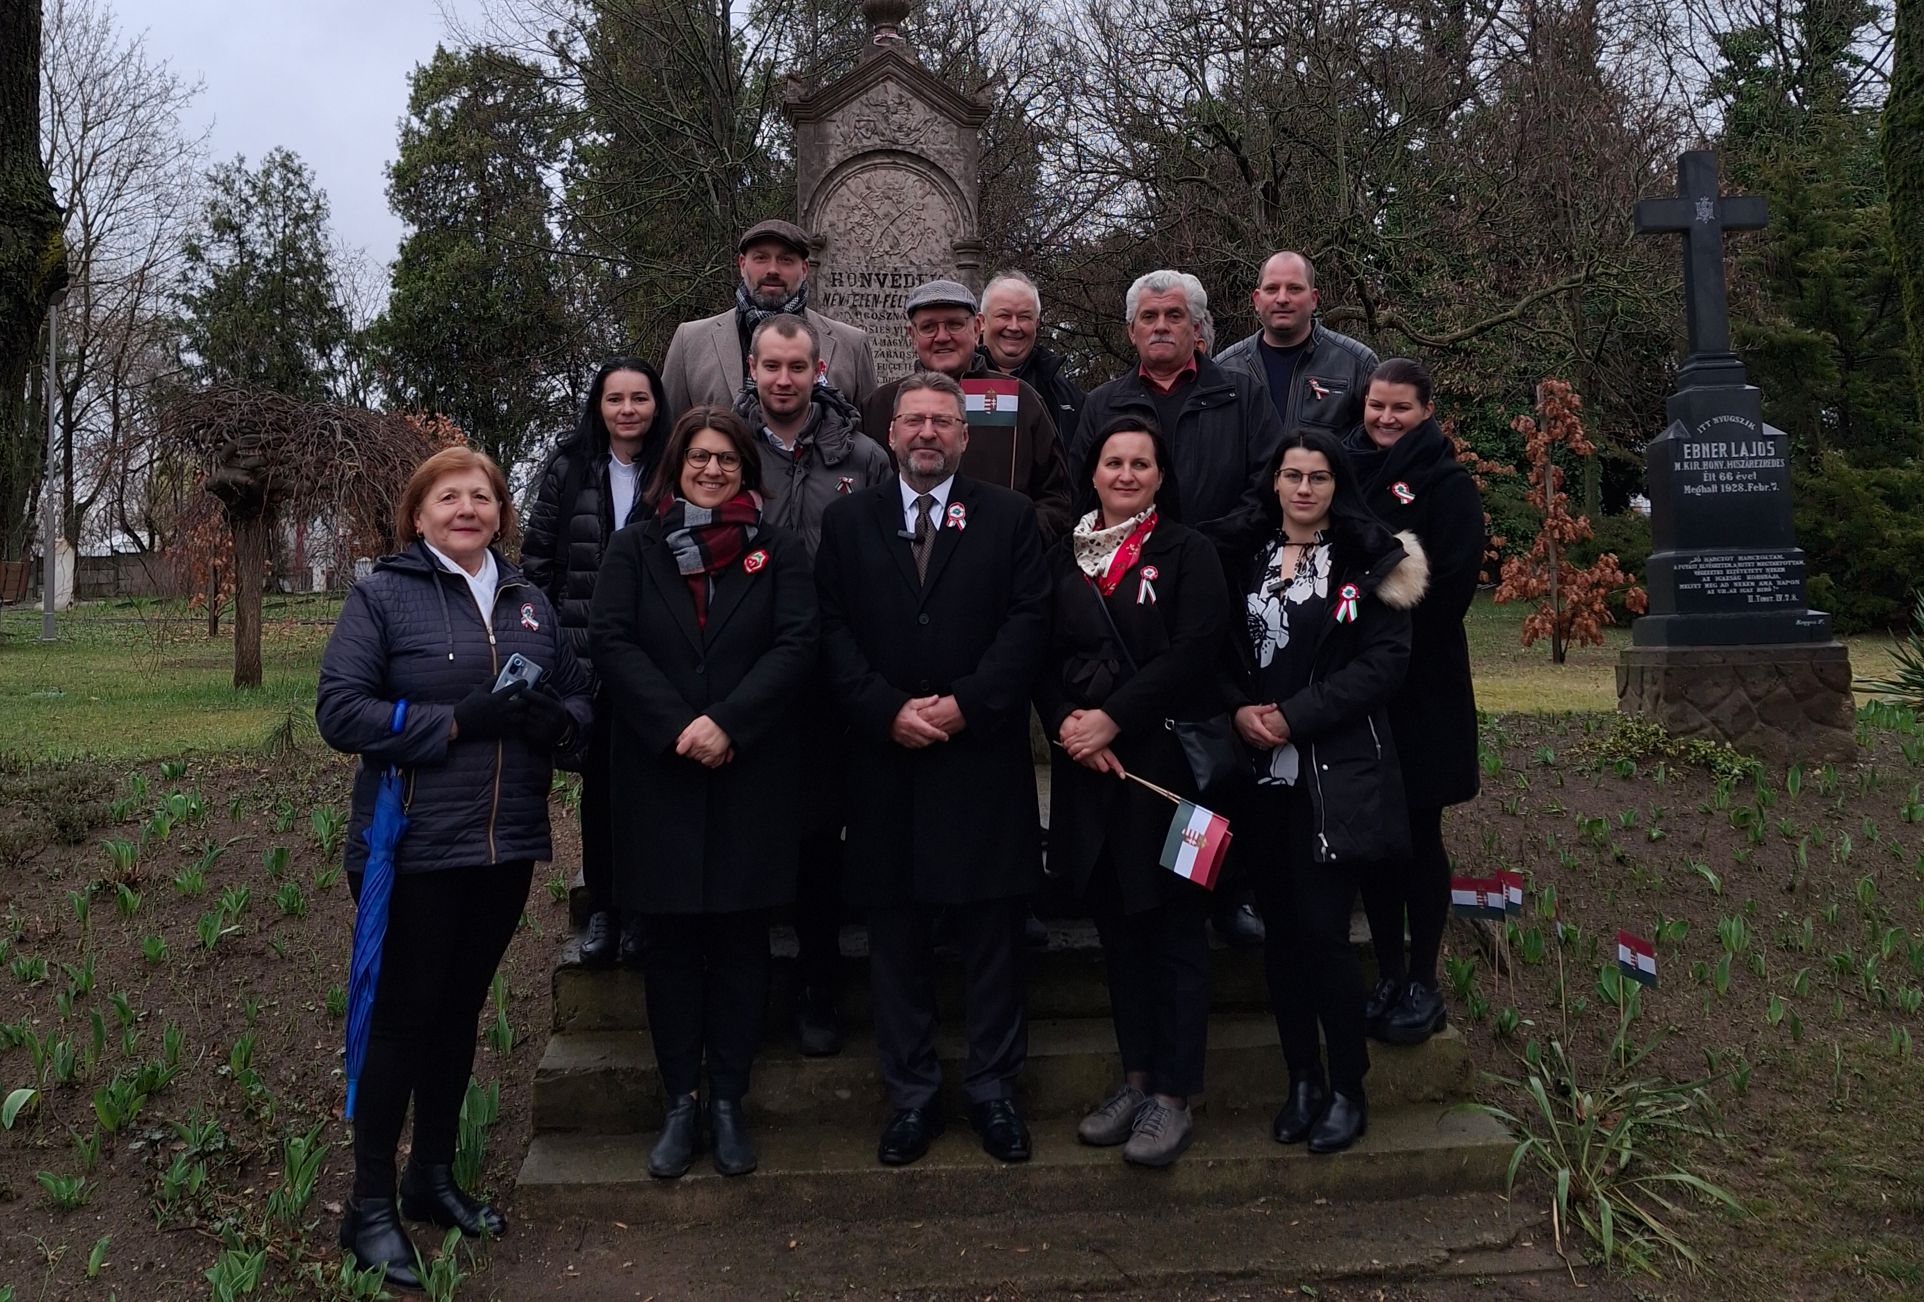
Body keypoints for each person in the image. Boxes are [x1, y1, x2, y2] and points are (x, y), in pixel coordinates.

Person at [318, 448, 592, 1287]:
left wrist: (556, 719)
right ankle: (370, 1207)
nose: (468, 508)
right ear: (419, 513)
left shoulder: (528, 603)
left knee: (460, 1012)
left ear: (501, 513)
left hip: (503, 849)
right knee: (403, 1016)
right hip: (414, 849)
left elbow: (581, 702)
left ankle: (431, 1177)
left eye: (482, 496)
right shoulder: (383, 596)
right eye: (449, 497)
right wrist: (455, 723)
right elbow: (340, 710)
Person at [815, 372, 1051, 1168]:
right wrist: (886, 710)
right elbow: (832, 632)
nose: (925, 432)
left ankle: (992, 1092)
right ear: (891, 434)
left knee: (992, 941)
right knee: (897, 942)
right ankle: (911, 1097)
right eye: (911, 419)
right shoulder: (849, 523)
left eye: (940, 421)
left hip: (979, 761)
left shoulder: (1011, 519)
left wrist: (965, 705)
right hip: (884, 765)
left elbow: (1029, 625)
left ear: (963, 435)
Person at [589, 407, 819, 1179]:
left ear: (745, 470)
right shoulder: (635, 548)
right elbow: (612, 642)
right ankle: (677, 1103)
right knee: (673, 950)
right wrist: (680, 726)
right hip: (662, 776)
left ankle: (727, 1100)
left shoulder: (778, 551)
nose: (713, 470)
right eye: (699, 458)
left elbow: (796, 645)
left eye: (727, 459)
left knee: (740, 945)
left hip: (749, 774)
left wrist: (728, 724)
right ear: (676, 467)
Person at [1036, 416, 1230, 1167]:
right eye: (1113, 461)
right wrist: (1066, 724)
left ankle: (1175, 1097)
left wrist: (1113, 718)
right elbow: (1040, 656)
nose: (1124, 474)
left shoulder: (1190, 553)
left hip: (1169, 774)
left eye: (1140, 464)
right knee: (1118, 932)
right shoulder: (1062, 559)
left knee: (1177, 932)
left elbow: (1194, 653)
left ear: (1159, 475)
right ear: (1092, 473)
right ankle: (1137, 1078)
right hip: (1093, 775)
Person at [1227, 429, 1428, 1155]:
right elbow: (1217, 649)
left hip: (1330, 773)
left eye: (1318, 476)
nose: (1304, 488)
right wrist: (1239, 710)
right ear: (1274, 483)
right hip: (1256, 776)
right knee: (1281, 941)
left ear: (1337, 485)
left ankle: (1349, 1085)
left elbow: (1384, 664)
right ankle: (1302, 1079)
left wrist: (1294, 716)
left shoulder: (1368, 562)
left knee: (1323, 935)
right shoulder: (1242, 557)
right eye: (1292, 475)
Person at [1072, 269, 1285, 949]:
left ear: (1198, 328)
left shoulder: (1240, 395)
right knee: (1153, 751)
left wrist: (1193, 548)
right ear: (1131, 330)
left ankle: (1231, 886)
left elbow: (1267, 488)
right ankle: (1133, 882)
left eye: (1174, 315)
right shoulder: (1104, 401)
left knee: (1218, 745)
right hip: (1127, 603)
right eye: (1148, 317)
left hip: (1220, 587)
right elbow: (1083, 487)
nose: (1161, 325)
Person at [734, 314, 893, 1056]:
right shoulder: (723, 450)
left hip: (836, 672)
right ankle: (746, 992)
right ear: (753, 369)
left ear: (819, 369)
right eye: (773, 366)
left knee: (824, 840)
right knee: (762, 832)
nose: (786, 379)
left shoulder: (862, 455)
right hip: (749, 672)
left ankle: (817, 987)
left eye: (799, 366)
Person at [1344, 359, 1484, 1046]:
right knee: (1374, 843)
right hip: (1356, 689)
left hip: (1419, 686)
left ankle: (1423, 979)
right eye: (1376, 406)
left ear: (1427, 410)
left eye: (1400, 408)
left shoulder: (1447, 484)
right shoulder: (1339, 467)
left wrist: (1382, 639)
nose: (1385, 419)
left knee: (1420, 838)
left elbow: (1450, 588)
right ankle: (1388, 974)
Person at [521, 357, 674, 970]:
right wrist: (549, 645)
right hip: (583, 654)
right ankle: (605, 908)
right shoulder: (569, 467)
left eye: (640, 398)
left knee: (651, 788)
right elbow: (538, 561)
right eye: (616, 399)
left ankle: (643, 911)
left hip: (655, 655)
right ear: (599, 406)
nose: (628, 410)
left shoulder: (674, 468)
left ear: (657, 405)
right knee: (601, 789)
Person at [860, 278, 1074, 544]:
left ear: (976, 328)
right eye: (928, 327)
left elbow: (1057, 497)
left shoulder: (1021, 400)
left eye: (954, 324)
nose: (942, 336)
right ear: (912, 335)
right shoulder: (881, 405)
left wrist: (1017, 541)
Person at [661, 219, 879, 411]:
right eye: (761, 258)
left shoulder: (851, 344)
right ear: (742, 265)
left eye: (785, 260)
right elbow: (667, 435)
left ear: (804, 269)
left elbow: (870, 439)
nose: (772, 269)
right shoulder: (690, 341)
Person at [1215, 251, 1379, 437]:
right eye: (1272, 289)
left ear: (1314, 299)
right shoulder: (1224, 370)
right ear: (1257, 300)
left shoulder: (1357, 365)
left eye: (1294, 289)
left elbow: (1376, 446)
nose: (1282, 298)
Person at [978, 271, 1085, 451]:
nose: (1014, 327)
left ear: (1036, 323)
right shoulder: (958, 385)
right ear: (981, 322)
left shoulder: (1067, 397)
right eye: (1004, 316)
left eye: (1024, 317)